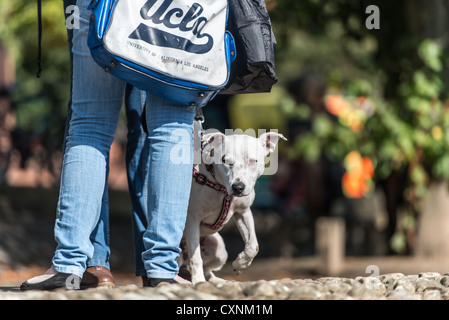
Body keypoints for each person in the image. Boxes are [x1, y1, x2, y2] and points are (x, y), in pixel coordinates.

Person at [21, 0, 195, 290]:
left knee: (91, 124)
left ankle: (69, 265)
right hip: (182, 11)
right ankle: (163, 268)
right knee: (173, 127)